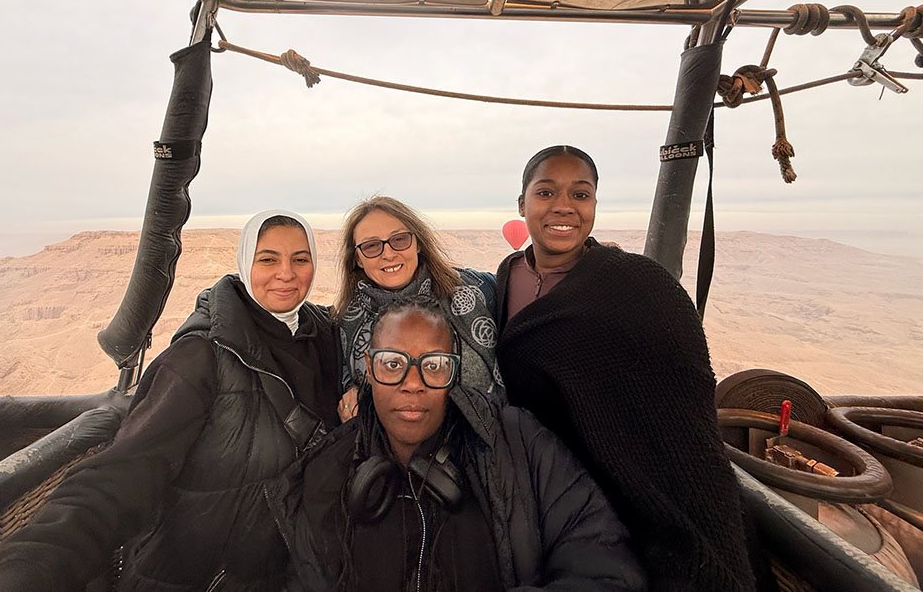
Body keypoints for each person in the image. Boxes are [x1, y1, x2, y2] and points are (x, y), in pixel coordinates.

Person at [0, 211, 342, 592]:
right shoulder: (200, 358)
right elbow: (121, 475)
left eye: (300, 258)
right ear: (246, 262)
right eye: (267, 259)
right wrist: (27, 569)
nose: (286, 273)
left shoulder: (320, 337)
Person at [494, 145, 762, 592]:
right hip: (546, 482)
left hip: (624, 488)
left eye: (580, 194)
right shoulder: (507, 276)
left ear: (595, 205)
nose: (563, 206)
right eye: (546, 192)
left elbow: (682, 400)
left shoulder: (637, 283)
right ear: (522, 204)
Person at [261, 296, 646, 591]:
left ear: (454, 369)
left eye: (433, 365)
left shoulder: (519, 445)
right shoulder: (326, 471)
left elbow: (605, 565)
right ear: (368, 366)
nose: (413, 382)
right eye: (393, 364)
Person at [335, 196, 501, 422]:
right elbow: (348, 382)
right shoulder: (346, 323)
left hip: (486, 443)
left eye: (400, 239)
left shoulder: (479, 290)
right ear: (358, 259)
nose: (388, 253)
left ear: (418, 243)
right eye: (371, 246)